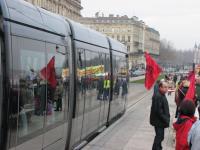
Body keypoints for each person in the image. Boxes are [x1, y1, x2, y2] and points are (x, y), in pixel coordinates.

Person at [150, 81, 170, 150]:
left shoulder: (161, 94)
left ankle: (157, 148)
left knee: (160, 137)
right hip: (158, 121)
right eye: (164, 87)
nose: (166, 89)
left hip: (159, 121)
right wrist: (166, 119)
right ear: (160, 87)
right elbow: (159, 111)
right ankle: (157, 148)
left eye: (167, 87)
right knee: (159, 137)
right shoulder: (158, 96)